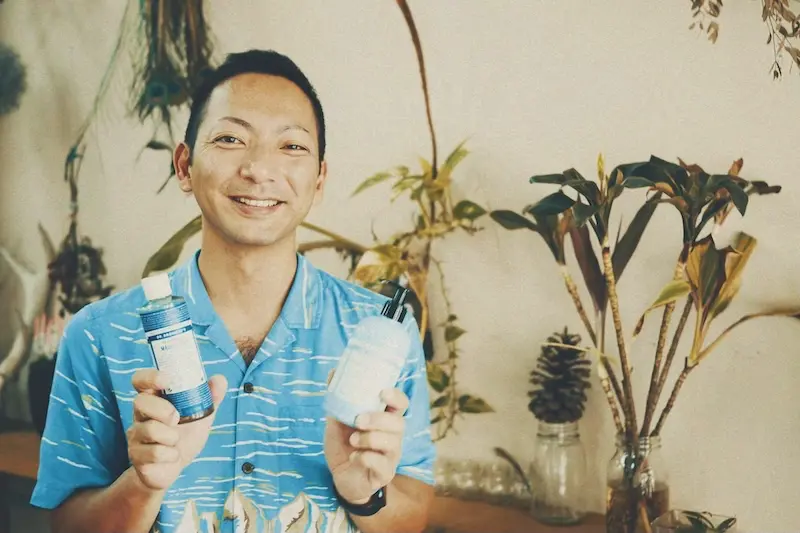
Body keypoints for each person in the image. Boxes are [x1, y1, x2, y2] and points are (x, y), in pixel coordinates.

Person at [30, 49, 437, 533]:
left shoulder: (380, 333)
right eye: (230, 139)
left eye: (291, 146)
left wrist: (364, 496)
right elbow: (67, 525)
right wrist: (144, 483)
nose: (259, 169)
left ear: (319, 180)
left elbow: (412, 513)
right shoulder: (98, 335)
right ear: (184, 166)